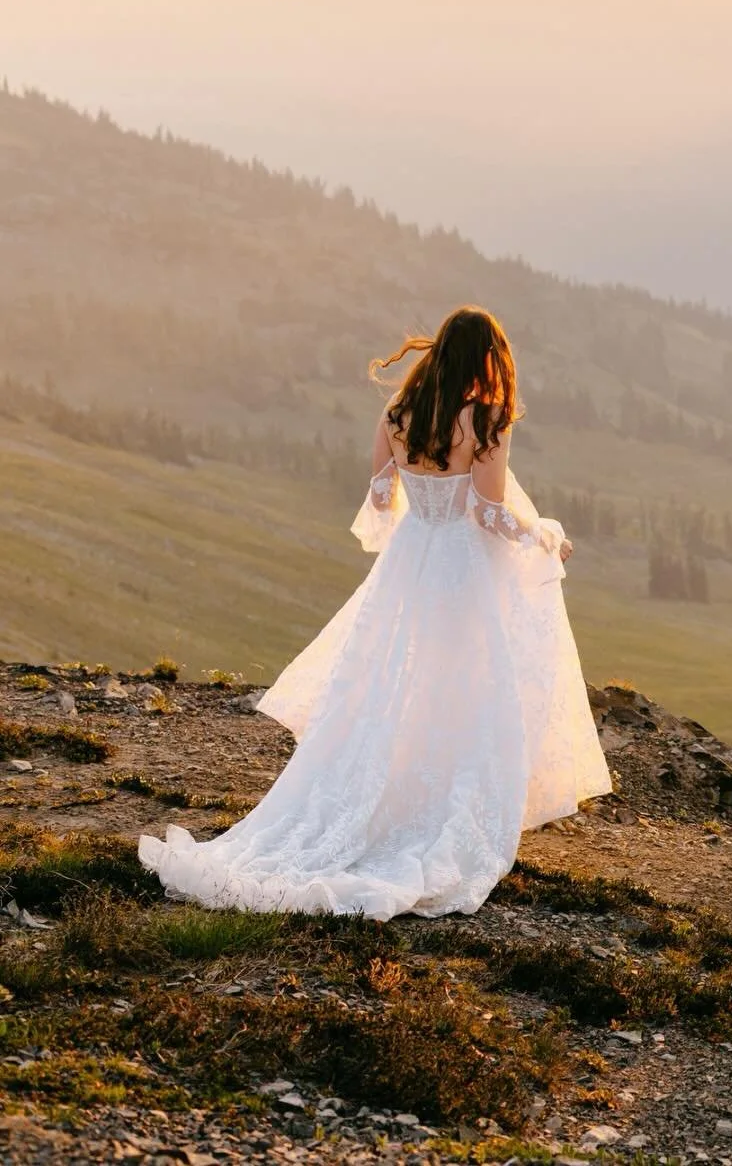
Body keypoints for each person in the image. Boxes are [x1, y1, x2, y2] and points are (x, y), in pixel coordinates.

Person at [139, 306, 611, 918]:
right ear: (485, 359)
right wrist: (544, 534)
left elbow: (381, 494)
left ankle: (383, 797)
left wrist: (423, 500)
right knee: (464, 688)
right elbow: (491, 512)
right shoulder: (485, 419)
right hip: (462, 570)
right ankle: (437, 806)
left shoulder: (398, 415)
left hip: (411, 561)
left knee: (396, 682)